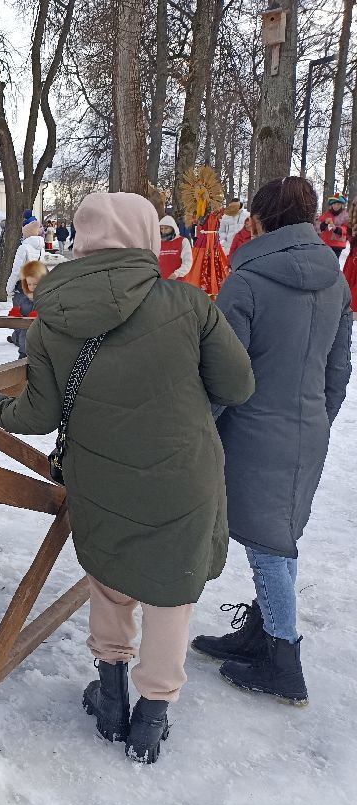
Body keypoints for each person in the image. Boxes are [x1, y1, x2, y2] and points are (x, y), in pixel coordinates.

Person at [0, 192, 254, 764]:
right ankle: (152, 717)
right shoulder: (189, 303)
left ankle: (110, 698)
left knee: (110, 579)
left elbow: (36, 414)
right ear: (147, 239)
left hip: (99, 475)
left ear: (80, 242)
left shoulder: (52, 318)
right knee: (170, 593)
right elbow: (238, 386)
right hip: (184, 477)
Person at [192, 176, 352, 706]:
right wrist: (318, 419)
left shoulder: (247, 281)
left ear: (257, 222)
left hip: (254, 429)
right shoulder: (337, 281)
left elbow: (224, 372)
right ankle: (262, 633)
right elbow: (338, 370)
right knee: (279, 536)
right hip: (306, 430)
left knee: (267, 545)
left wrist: (200, 427)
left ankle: (284, 660)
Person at [9, 259, 46, 358]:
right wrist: (15, 313)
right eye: (29, 284)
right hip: (24, 346)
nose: (32, 287)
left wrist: (39, 315)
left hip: (40, 346)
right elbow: (18, 323)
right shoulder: (24, 299)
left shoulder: (46, 298)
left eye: (35, 284)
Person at [6, 219, 45, 297]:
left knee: (22, 308)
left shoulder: (23, 248)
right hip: (35, 285)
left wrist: (9, 289)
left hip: (22, 286)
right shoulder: (41, 249)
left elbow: (16, 271)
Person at [157, 215, 193, 280]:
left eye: (166, 228)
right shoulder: (158, 242)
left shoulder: (183, 241)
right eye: (161, 228)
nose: (163, 231)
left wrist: (177, 274)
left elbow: (187, 262)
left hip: (178, 281)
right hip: (161, 282)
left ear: (173, 228)